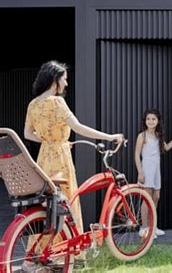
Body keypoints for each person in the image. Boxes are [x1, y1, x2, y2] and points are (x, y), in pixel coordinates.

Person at [23, 60, 123, 270]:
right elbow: (79, 128)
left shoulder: (33, 104)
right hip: (60, 159)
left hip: (43, 159)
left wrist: (50, 141)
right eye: (64, 78)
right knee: (68, 202)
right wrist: (109, 136)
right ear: (55, 79)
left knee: (47, 206)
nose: (66, 83)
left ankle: (41, 252)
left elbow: (27, 134)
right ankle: (69, 253)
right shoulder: (57, 102)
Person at [134, 108, 172, 237]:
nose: (151, 121)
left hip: (156, 169)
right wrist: (140, 172)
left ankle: (153, 226)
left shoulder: (158, 136)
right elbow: (136, 155)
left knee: (156, 197)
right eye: (148, 119)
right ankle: (144, 228)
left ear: (158, 121)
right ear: (145, 121)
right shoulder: (142, 136)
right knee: (147, 198)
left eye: (153, 119)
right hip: (146, 167)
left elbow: (166, 148)